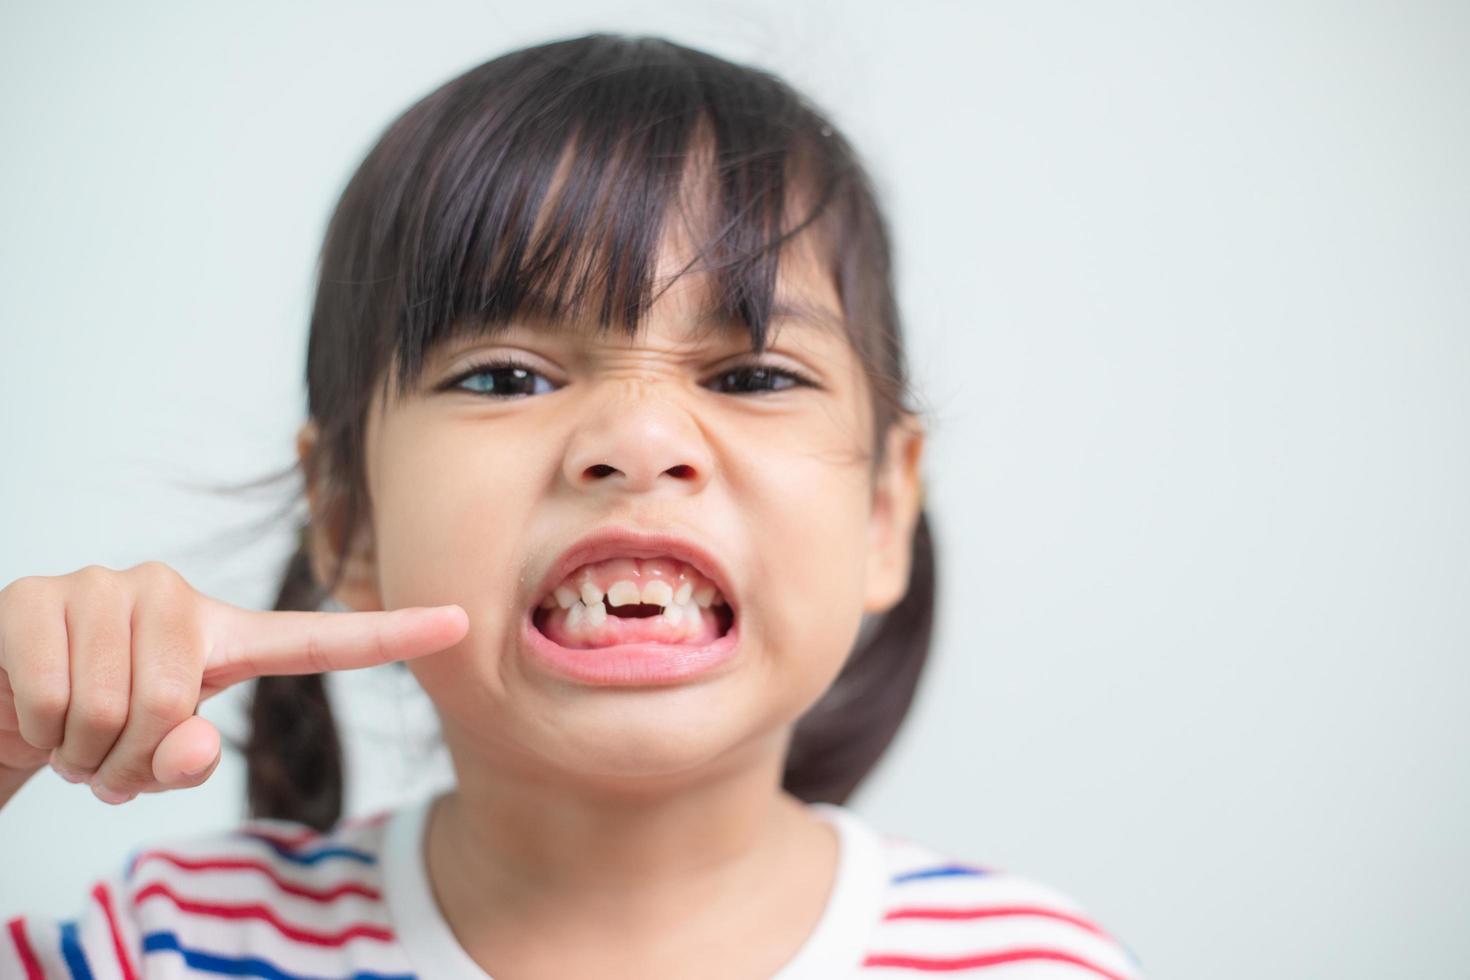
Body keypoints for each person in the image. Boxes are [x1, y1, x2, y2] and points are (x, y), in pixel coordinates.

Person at [0, 32, 1143, 979]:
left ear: (887, 510)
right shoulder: (159, 941)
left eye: (752, 375)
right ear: (346, 518)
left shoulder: (1034, 962)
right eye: (504, 375)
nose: (638, 441)